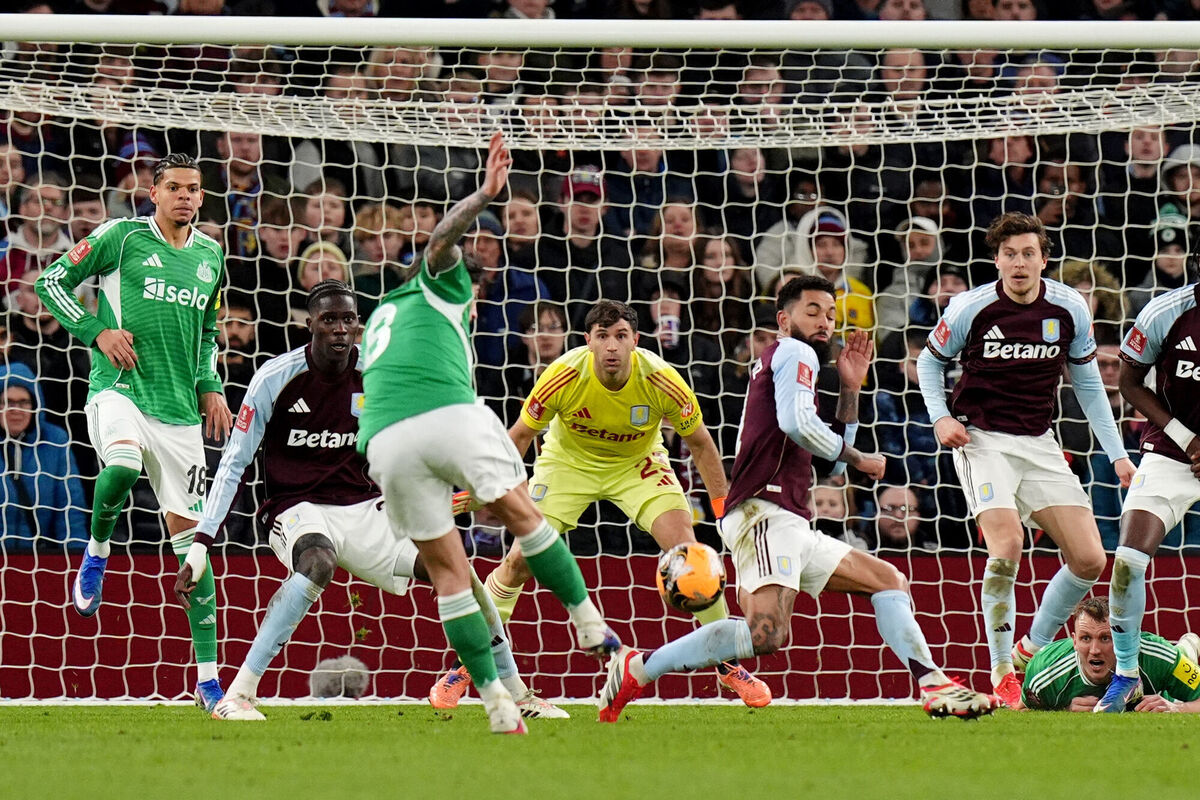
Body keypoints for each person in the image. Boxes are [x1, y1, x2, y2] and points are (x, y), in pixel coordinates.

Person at [596, 276, 998, 722]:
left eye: (830, 313)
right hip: (764, 512)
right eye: (812, 311)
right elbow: (797, 425)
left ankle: (933, 683)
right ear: (784, 320)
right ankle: (638, 667)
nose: (825, 321)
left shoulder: (798, 366)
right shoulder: (793, 352)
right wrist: (862, 457)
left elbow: (832, 468)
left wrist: (850, 387)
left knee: (887, 580)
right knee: (766, 634)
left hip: (788, 516)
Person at [173, 280, 565, 722]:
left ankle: (519, 694)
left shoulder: (381, 376)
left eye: (348, 320)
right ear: (310, 326)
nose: (340, 329)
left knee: (459, 573)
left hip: (368, 508)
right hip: (296, 508)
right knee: (318, 561)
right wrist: (203, 541)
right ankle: (239, 695)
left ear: (358, 327)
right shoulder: (274, 379)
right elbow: (233, 465)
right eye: (329, 320)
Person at [357, 130, 618, 735]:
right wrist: (483, 195)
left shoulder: (381, 314)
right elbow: (441, 238)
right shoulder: (440, 283)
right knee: (527, 516)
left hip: (384, 442)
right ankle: (588, 622)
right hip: (445, 411)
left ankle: (497, 700)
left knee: (450, 576)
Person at [435, 296, 768, 708]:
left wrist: (722, 510)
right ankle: (470, 661)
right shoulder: (563, 376)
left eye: (621, 336)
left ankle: (726, 661)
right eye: (603, 336)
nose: (612, 346)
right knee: (520, 559)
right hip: (567, 464)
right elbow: (520, 436)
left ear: (636, 341)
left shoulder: (663, 378)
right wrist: (484, 487)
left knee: (691, 553)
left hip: (638, 464)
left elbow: (700, 443)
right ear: (588, 341)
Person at [35, 153, 234, 714]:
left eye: (194, 189)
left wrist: (210, 384)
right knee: (120, 466)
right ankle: (96, 554)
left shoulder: (211, 255)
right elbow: (52, 283)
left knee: (194, 552)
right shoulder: (121, 237)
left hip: (180, 416)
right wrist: (97, 331)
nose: (185, 197)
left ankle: (208, 680)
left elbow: (207, 331)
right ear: (153, 193)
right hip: (118, 391)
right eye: (174, 187)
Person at [915, 211, 1136, 708]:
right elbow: (929, 361)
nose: (1019, 263)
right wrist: (939, 419)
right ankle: (1000, 673)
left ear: (1043, 258)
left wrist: (1118, 455)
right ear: (997, 259)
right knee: (1008, 543)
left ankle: (1027, 649)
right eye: (1009, 254)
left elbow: (1087, 384)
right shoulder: (969, 307)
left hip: (1039, 442)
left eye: (1028, 253)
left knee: (1089, 558)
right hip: (981, 440)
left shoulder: (1070, 307)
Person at [1095, 279, 1200, 712]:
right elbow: (1130, 383)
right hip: (1172, 452)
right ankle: (1126, 675)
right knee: (1127, 563)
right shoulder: (1165, 312)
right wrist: (1188, 439)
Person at [1022, 598, 1200, 712]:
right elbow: (1021, 711)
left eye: (1105, 638)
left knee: (1178, 660)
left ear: (1124, 641)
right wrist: (1064, 710)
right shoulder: (1045, 671)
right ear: (1074, 641)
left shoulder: (1157, 656)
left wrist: (1177, 708)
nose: (1095, 650)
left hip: (1166, 690)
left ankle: (1186, 651)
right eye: (1085, 638)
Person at [1, 362, 86, 550]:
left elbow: (70, 509)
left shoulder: (54, 440)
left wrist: (75, 562)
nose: (16, 409)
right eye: (7, 402)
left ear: (35, 404)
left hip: (39, 561)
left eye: (24, 401)